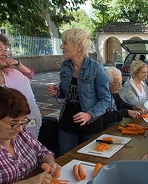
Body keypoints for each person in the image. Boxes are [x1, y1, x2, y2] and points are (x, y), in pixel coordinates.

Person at [46, 28, 111, 156]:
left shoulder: (96, 68)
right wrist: (56, 92)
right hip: (67, 125)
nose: (61, 46)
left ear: (79, 47)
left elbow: (105, 100)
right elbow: (64, 96)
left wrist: (89, 114)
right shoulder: (65, 66)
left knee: (88, 162)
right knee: (65, 161)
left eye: (65, 43)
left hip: (90, 125)